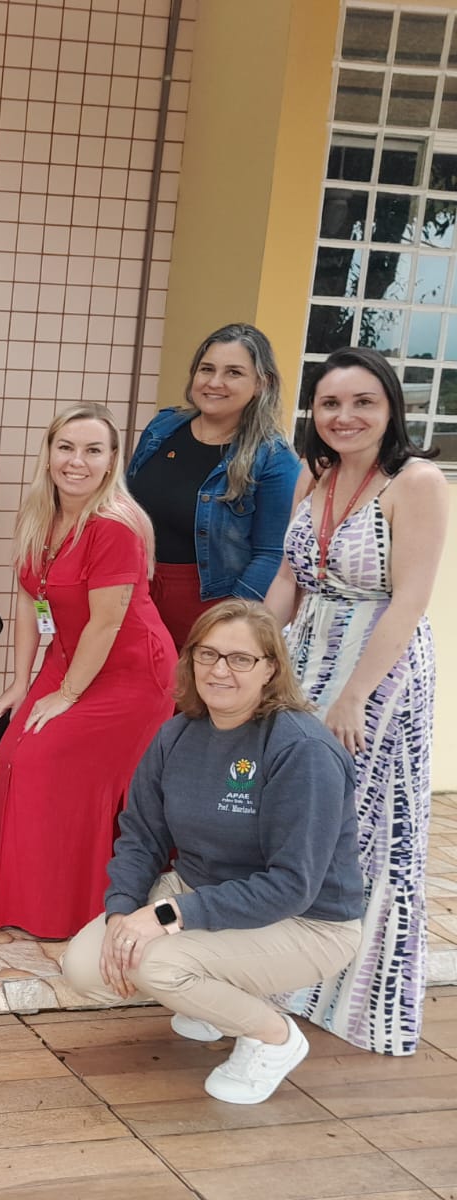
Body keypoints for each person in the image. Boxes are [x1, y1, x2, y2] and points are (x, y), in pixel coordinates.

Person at [62, 601, 364, 1105]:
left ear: (270, 668)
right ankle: (212, 997)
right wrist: (120, 913)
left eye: (240, 659)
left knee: (156, 965)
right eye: (208, 654)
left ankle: (274, 1037)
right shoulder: (177, 733)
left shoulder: (301, 750)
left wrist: (163, 916)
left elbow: (292, 886)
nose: (220, 670)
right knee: (85, 966)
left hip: (310, 921)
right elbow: (141, 836)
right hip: (204, 891)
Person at [266, 346, 446, 1057]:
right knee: (295, 817)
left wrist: (355, 697)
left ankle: (356, 995)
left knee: (362, 825)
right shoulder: (313, 473)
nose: (346, 416)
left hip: (377, 667)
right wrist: (248, 648)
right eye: (331, 403)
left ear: (392, 407)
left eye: (363, 401)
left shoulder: (418, 482)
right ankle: (288, 976)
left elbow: (409, 600)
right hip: (305, 654)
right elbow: (289, 574)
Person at [0, 403, 176, 939]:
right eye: (66, 447)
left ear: (112, 459)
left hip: (130, 672)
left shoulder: (115, 527)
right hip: (69, 659)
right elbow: (28, 602)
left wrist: (67, 696)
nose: (77, 461)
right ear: (48, 453)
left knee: (47, 758)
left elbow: (108, 621)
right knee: (12, 756)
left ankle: (73, 908)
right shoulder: (38, 516)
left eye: (93, 450)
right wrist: (21, 683)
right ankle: (27, 896)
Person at [127, 324, 301, 648]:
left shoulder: (274, 459)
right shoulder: (162, 428)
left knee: (192, 697)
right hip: (137, 592)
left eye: (233, 372)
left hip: (209, 606)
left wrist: (229, 624)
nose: (215, 382)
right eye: (207, 369)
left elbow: (271, 555)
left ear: (262, 383)